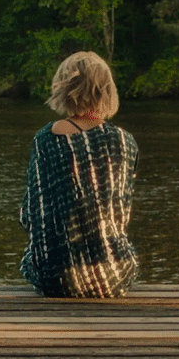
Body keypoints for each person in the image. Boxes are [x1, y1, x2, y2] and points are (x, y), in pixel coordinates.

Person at [19, 51, 139, 298]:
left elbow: (29, 213)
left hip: (54, 278)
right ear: (107, 90)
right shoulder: (125, 141)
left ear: (63, 88)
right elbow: (121, 215)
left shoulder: (45, 140)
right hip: (112, 275)